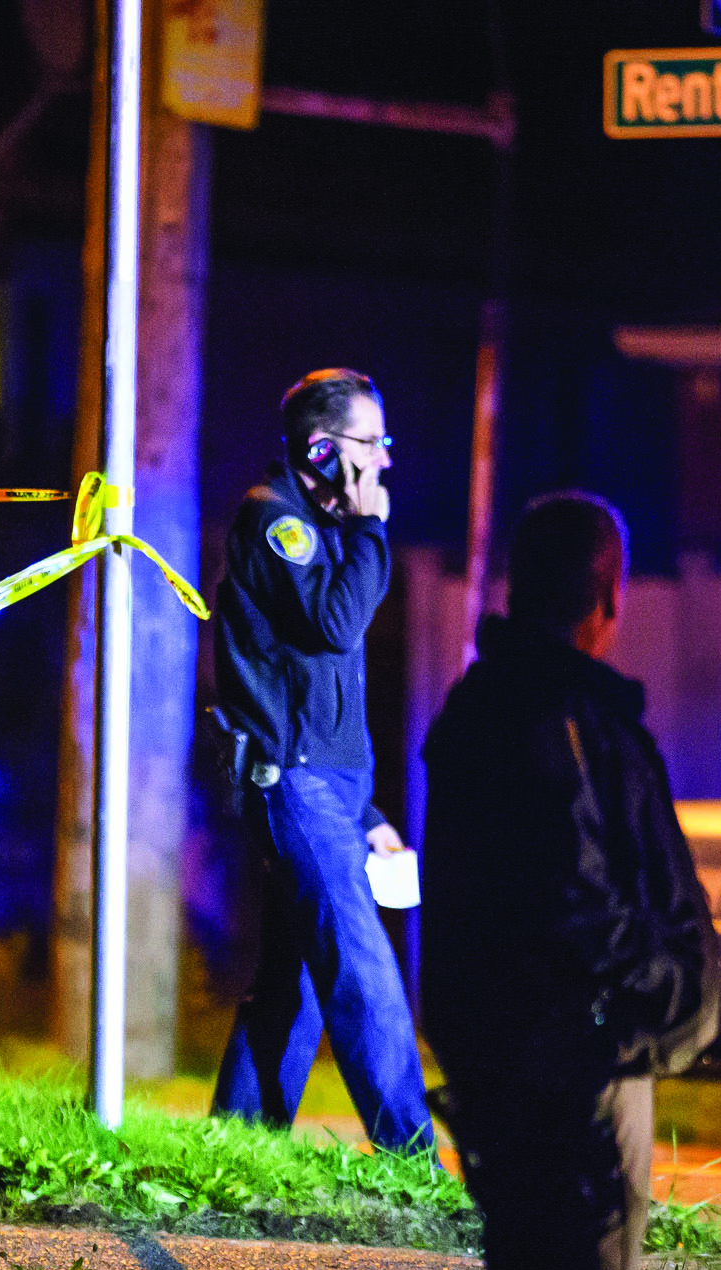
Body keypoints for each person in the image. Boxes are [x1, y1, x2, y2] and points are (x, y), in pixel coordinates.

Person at [419, 491, 721, 1270]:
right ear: (606, 594)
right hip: (578, 1075)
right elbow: (579, 909)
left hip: (532, 1065)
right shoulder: (551, 721)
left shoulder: (492, 709)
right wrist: (670, 1001)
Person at [207, 367, 433, 1153]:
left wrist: (367, 815)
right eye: (371, 444)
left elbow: (321, 684)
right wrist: (371, 530)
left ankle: (234, 1147)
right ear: (321, 448)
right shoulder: (279, 525)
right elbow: (336, 625)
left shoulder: (324, 533)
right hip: (293, 784)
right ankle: (411, 1165)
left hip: (329, 789)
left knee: (292, 986)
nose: (384, 464)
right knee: (362, 971)